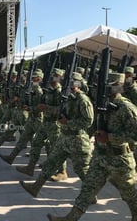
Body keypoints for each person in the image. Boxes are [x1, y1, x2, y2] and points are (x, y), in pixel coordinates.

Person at [47, 73, 137, 221]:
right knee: (88, 188)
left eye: (110, 85)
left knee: (130, 194)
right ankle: (70, 218)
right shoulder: (103, 105)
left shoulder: (126, 107)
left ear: (118, 87)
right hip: (100, 156)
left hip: (120, 160)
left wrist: (110, 137)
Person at [20, 72, 94, 198]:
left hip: (77, 139)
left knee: (81, 170)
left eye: (72, 81)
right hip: (64, 136)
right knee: (51, 162)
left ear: (77, 83)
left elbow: (88, 121)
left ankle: (91, 194)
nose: (68, 83)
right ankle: (35, 187)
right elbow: (59, 109)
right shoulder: (67, 97)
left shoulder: (82, 100)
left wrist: (68, 122)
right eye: (67, 81)